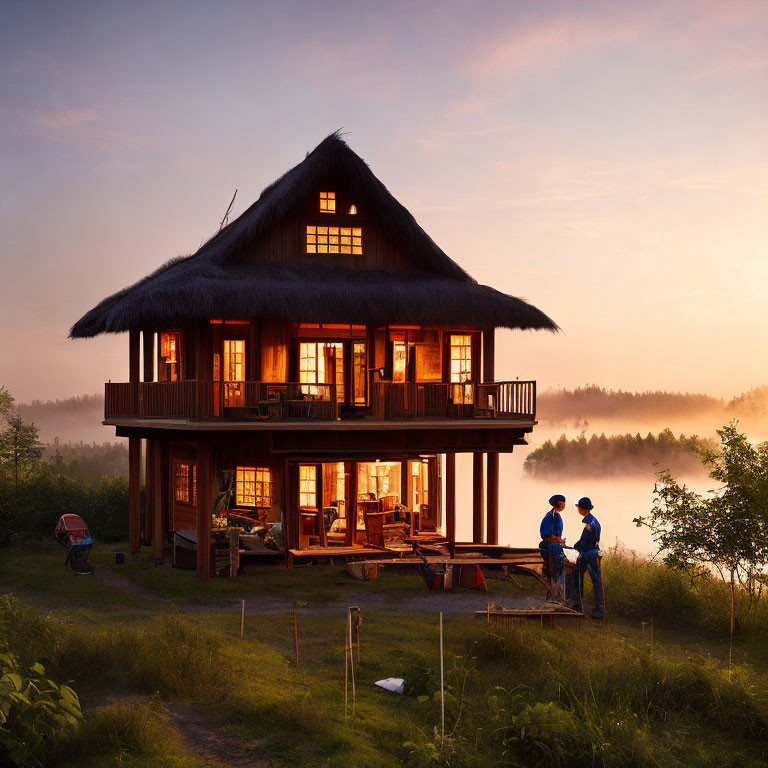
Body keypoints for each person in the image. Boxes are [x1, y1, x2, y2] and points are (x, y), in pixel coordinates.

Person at [573, 497, 604, 619]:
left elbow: (588, 541)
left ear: (582, 509)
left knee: (594, 581)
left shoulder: (590, 523)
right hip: (589, 553)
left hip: (590, 554)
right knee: (586, 579)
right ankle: (580, 605)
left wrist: (577, 547)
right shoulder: (592, 521)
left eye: (579, 508)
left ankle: (597, 609)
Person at [539, 494, 566, 587]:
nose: (564, 505)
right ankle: (555, 582)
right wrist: (557, 539)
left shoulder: (557, 516)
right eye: (562, 503)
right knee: (557, 562)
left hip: (557, 544)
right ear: (558, 503)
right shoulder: (550, 516)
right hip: (550, 545)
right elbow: (546, 534)